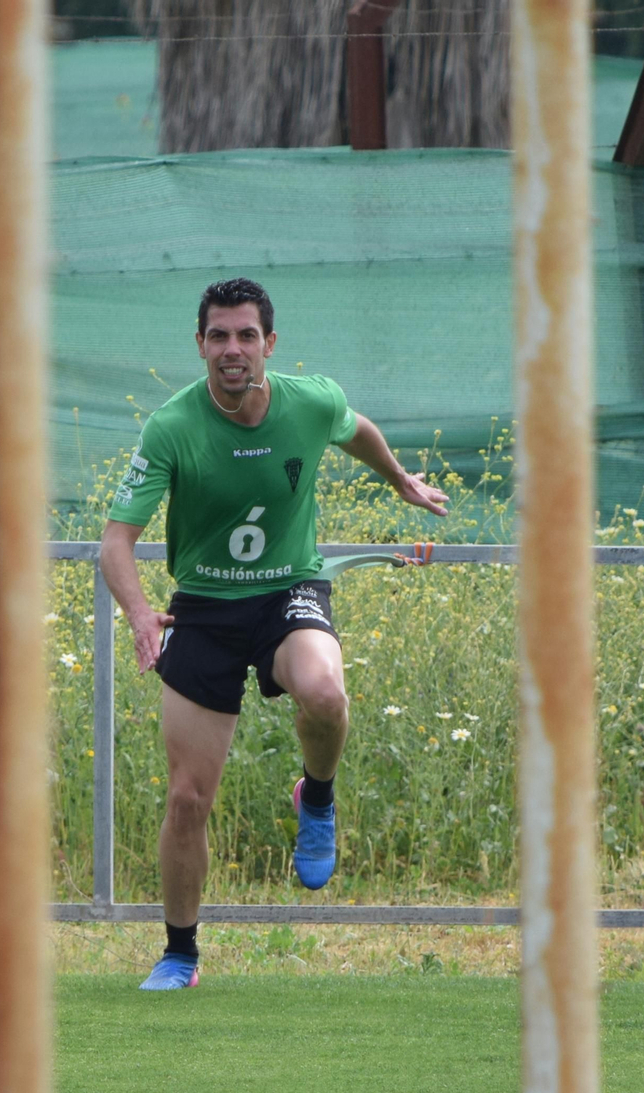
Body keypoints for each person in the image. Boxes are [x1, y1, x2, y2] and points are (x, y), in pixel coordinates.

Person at [100, 277, 449, 991]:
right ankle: (180, 954)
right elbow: (115, 542)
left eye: (247, 335)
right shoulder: (171, 426)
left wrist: (399, 480)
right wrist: (140, 614)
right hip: (205, 607)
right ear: (200, 344)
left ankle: (315, 799)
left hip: (291, 588)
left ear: (270, 344)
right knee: (188, 798)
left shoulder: (309, 400)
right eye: (219, 336)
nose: (233, 349)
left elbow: (357, 429)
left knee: (323, 690)